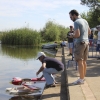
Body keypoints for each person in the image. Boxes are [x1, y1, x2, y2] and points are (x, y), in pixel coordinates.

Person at [69, 9, 91, 85]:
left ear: (74, 15)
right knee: (84, 61)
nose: (70, 18)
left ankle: (81, 79)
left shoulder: (76, 22)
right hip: (86, 42)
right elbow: (89, 32)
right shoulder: (85, 21)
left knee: (79, 61)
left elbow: (77, 34)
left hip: (80, 43)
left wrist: (72, 36)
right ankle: (83, 78)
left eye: (71, 16)